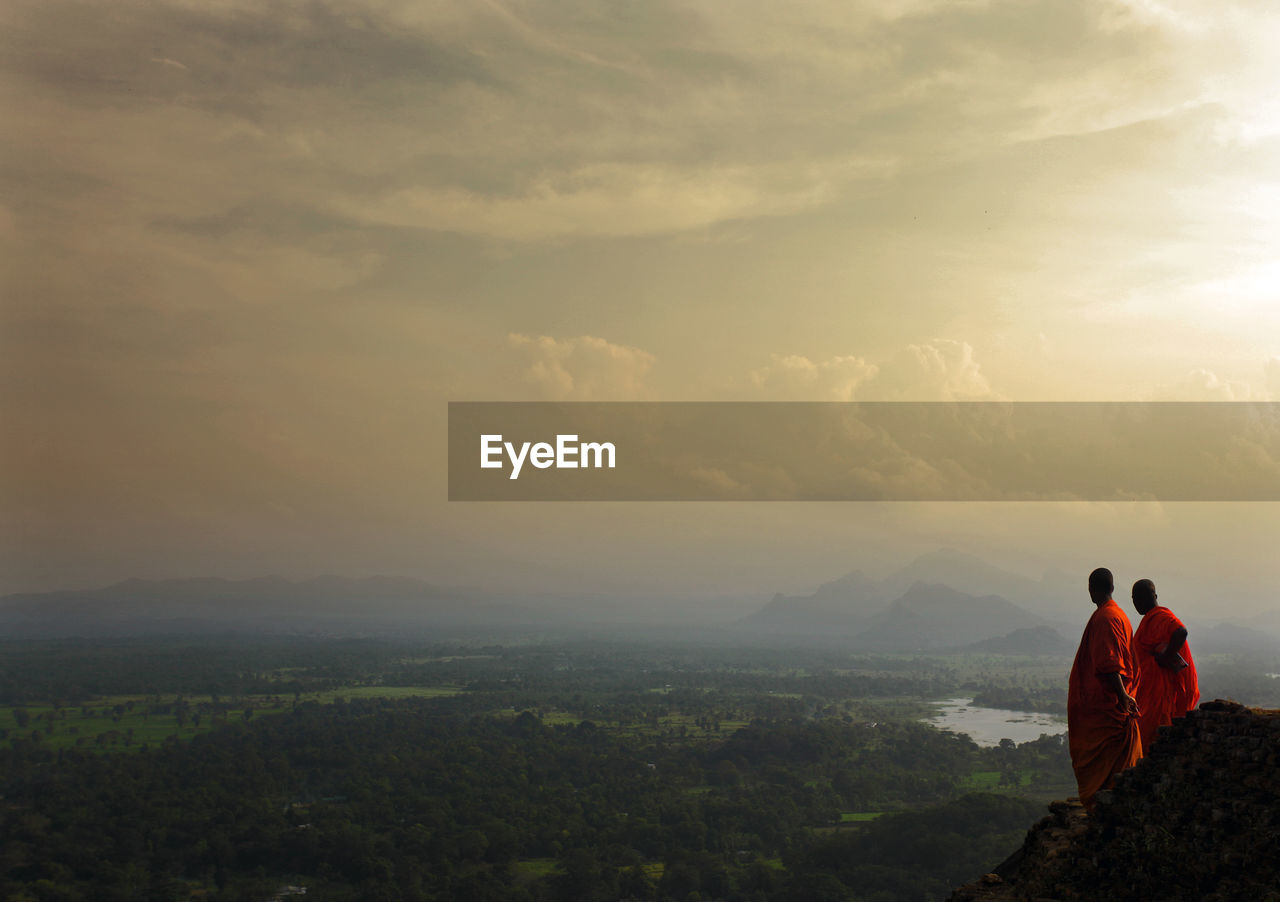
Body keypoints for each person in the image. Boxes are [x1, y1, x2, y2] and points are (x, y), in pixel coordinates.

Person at [1067, 567, 1143, 811]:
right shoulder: (1118, 614)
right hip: (1110, 705)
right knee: (1117, 766)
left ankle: (1107, 807)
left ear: (1092, 588)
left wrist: (1122, 696)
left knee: (1103, 764)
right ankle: (1114, 805)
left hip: (1108, 706)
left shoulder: (1104, 618)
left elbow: (1109, 664)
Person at [1130, 578, 1199, 754]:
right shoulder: (1151, 620)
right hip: (1150, 691)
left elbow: (1181, 631)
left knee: (1152, 738)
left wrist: (1165, 657)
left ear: (1152, 597)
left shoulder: (1160, 617)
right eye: (1134, 598)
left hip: (1160, 693)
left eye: (1138, 598)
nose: (1135, 603)